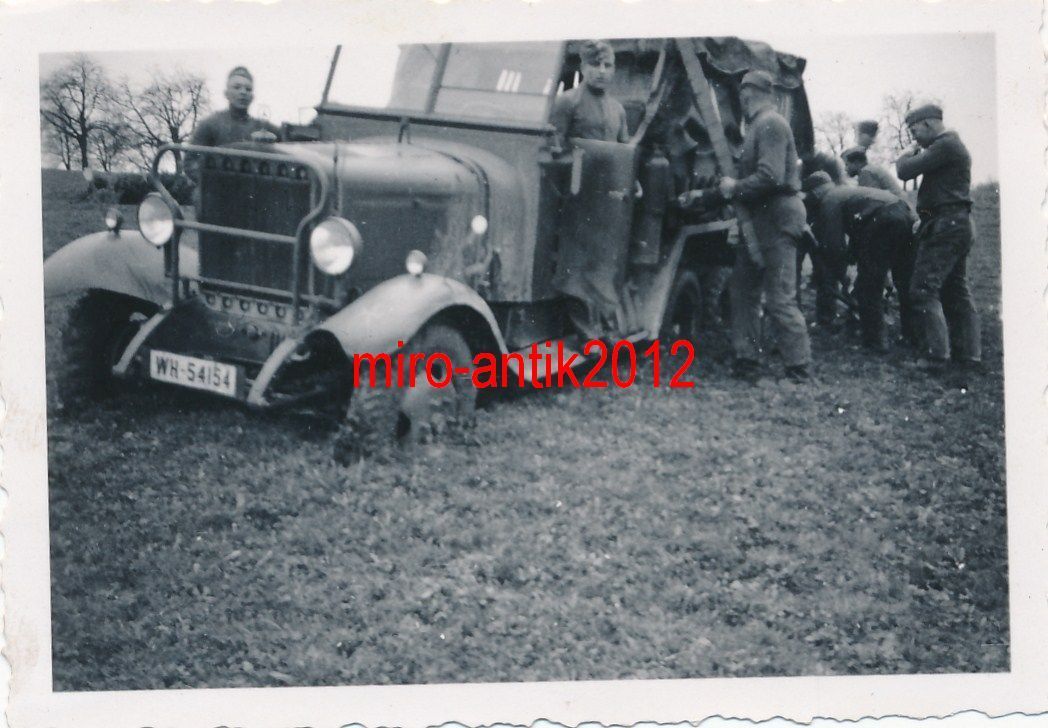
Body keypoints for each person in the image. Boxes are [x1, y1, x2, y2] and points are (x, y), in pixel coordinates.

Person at [718, 70, 812, 383]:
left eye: (744, 96)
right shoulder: (761, 125)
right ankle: (748, 360)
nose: (742, 101)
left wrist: (734, 186)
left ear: (748, 96)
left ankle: (798, 368)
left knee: (779, 296)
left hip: (776, 216)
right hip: (761, 219)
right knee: (743, 290)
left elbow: (770, 176)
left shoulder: (770, 123)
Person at [895, 103, 981, 374]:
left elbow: (904, 171)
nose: (914, 137)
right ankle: (968, 354)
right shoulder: (949, 147)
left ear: (929, 124)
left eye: (914, 129)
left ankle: (936, 356)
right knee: (956, 289)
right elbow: (941, 190)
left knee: (923, 289)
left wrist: (906, 154)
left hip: (946, 225)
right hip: (955, 222)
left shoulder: (945, 145)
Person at [803, 171, 918, 351]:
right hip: (906, 213)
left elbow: (834, 245)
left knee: (869, 285)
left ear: (815, 193)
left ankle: (875, 342)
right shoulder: (848, 192)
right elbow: (860, 227)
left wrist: (840, 273)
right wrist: (852, 254)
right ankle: (913, 336)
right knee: (904, 281)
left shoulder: (829, 200)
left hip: (884, 219)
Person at [550, 40, 629, 149]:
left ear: (613, 70)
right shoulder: (567, 101)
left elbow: (623, 152)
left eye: (607, 65)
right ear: (583, 68)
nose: (602, 71)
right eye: (595, 64)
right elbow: (554, 149)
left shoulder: (618, 109)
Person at [190, 66, 280, 149]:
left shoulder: (263, 127)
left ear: (252, 97)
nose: (243, 92)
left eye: (248, 89)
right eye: (237, 87)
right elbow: (191, 160)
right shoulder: (210, 125)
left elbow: (288, 141)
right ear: (226, 93)